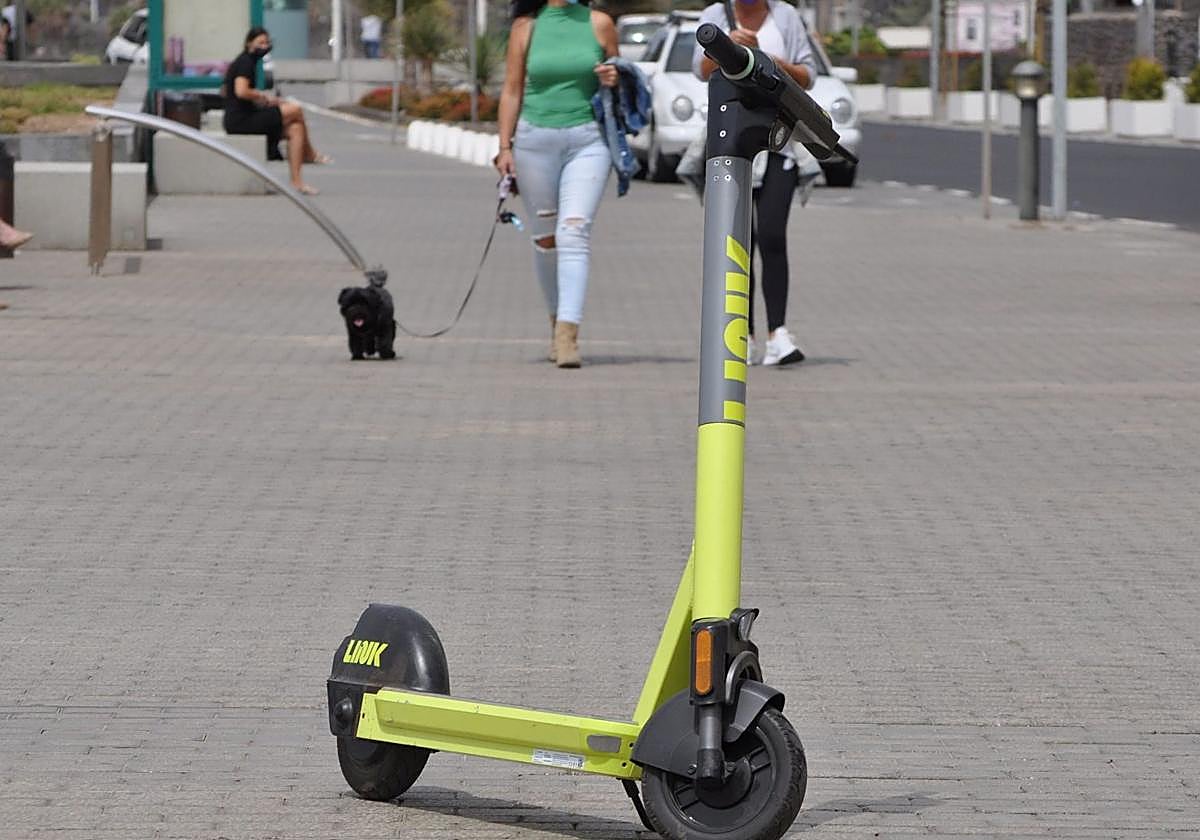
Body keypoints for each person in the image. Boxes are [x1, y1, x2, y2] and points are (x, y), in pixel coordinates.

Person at [495, 0, 619, 369]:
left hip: (588, 140)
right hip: (534, 143)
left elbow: (620, 76)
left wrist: (613, 76)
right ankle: (554, 322)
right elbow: (512, 89)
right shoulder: (525, 28)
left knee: (574, 232)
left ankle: (568, 336)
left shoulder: (599, 23)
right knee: (546, 239)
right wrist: (504, 146)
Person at [692, 0, 815, 366]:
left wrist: (765, 60)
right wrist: (727, 48)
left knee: (773, 235)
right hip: (732, 141)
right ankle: (740, 334)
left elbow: (809, 75)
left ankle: (778, 333)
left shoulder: (786, 16)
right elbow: (701, 70)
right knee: (737, 239)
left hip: (780, 141)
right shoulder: (715, 15)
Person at [223, 27, 330, 196]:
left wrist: (266, 101)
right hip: (241, 121)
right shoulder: (245, 62)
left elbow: (229, 91)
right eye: (260, 43)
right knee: (295, 109)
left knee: (296, 129)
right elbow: (241, 91)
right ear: (249, 43)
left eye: (267, 43)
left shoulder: (247, 61)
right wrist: (260, 95)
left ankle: (297, 182)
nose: (264, 46)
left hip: (247, 116)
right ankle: (309, 153)